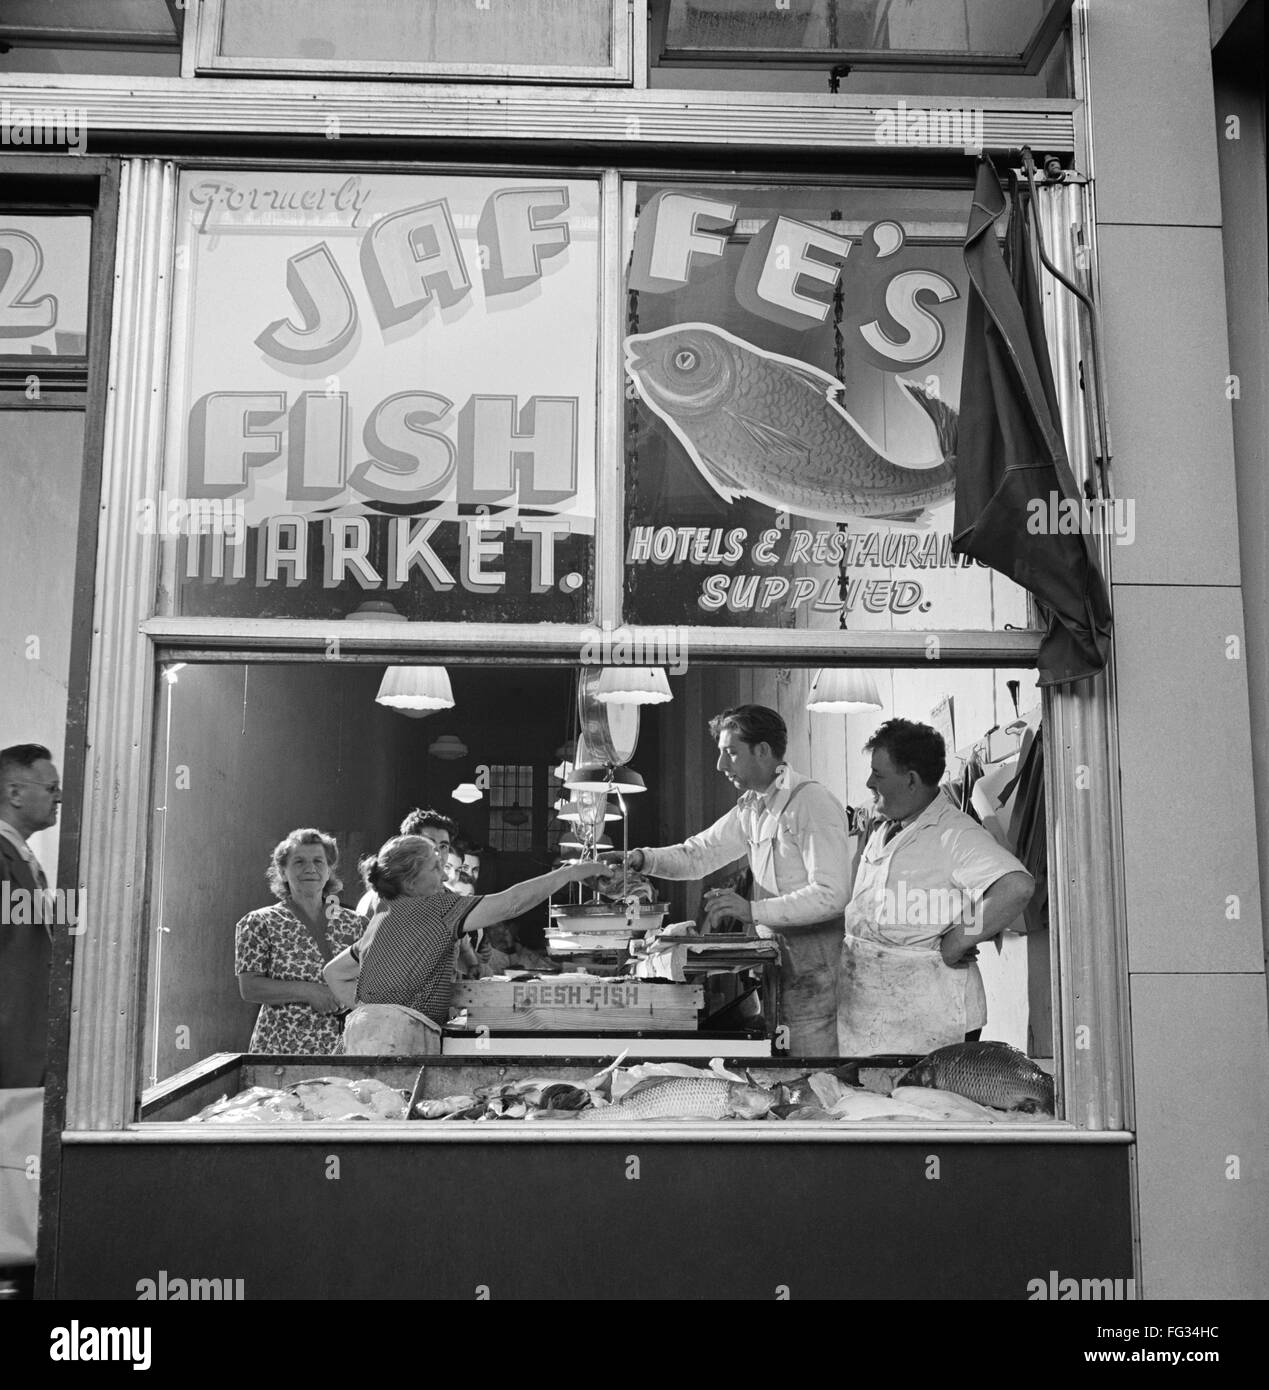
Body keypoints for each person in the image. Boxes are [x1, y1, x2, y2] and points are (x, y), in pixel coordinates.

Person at [610, 705, 851, 1055]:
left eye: (731, 753)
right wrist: (640, 860)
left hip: (818, 971)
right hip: (779, 964)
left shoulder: (811, 803)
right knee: (785, 1065)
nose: (721, 766)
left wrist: (752, 910)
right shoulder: (752, 807)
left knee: (812, 1067)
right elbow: (698, 855)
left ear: (763, 751)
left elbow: (833, 895)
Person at [838, 719, 1035, 1056]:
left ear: (911, 780)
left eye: (878, 774)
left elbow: (1015, 887)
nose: (869, 782)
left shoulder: (954, 833)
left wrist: (960, 938)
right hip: (874, 1009)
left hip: (932, 1011)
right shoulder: (885, 826)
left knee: (926, 1106)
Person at [323, 836, 605, 1044]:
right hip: (401, 1043)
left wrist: (372, 1013)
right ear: (409, 883)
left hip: (361, 1037)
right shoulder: (438, 907)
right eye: (435, 867)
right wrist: (571, 873)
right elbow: (512, 904)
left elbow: (333, 973)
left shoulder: (382, 917)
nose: (444, 874)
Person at [234, 828, 366, 1054]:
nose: (310, 868)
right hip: (281, 1049)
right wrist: (309, 992)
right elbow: (250, 988)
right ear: (283, 872)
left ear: (328, 871)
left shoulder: (356, 923)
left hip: (345, 1050)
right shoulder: (260, 922)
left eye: (318, 861)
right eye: (299, 862)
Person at [0, 743, 61, 1089]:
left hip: (29, 1053)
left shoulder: (25, 860)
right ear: (15, 793)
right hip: (11, 1053)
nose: (60, 798)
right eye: (51, 789)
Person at [356, 808, 458, 918]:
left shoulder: (452, 901)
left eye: (443, 847)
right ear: (407, 845)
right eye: (429, 845)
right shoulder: (379, 900)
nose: (438, 854)